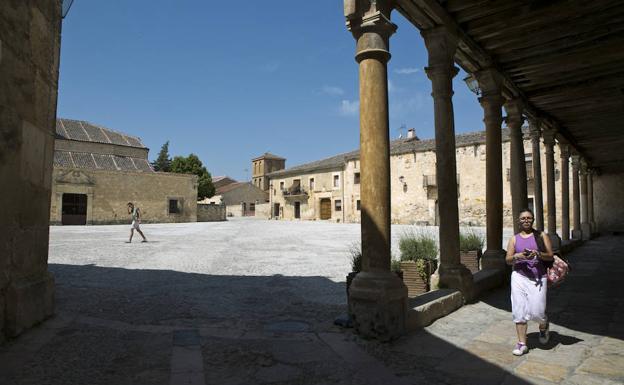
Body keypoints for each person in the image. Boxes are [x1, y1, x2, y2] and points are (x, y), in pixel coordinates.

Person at [505, 208, 553, 356]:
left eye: (529, 218)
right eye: (523, 218)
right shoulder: (514, 239)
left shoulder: (541, 236)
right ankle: (522, 343)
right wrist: (517, 256)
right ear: (519, 221)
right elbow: (507, 259)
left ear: (533, 220)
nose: (526, 220)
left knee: (537, 312)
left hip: (538, 277)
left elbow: (550, 256)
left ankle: (543, 325)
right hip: (519, 277)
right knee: (519, 310)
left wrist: (538, 254)